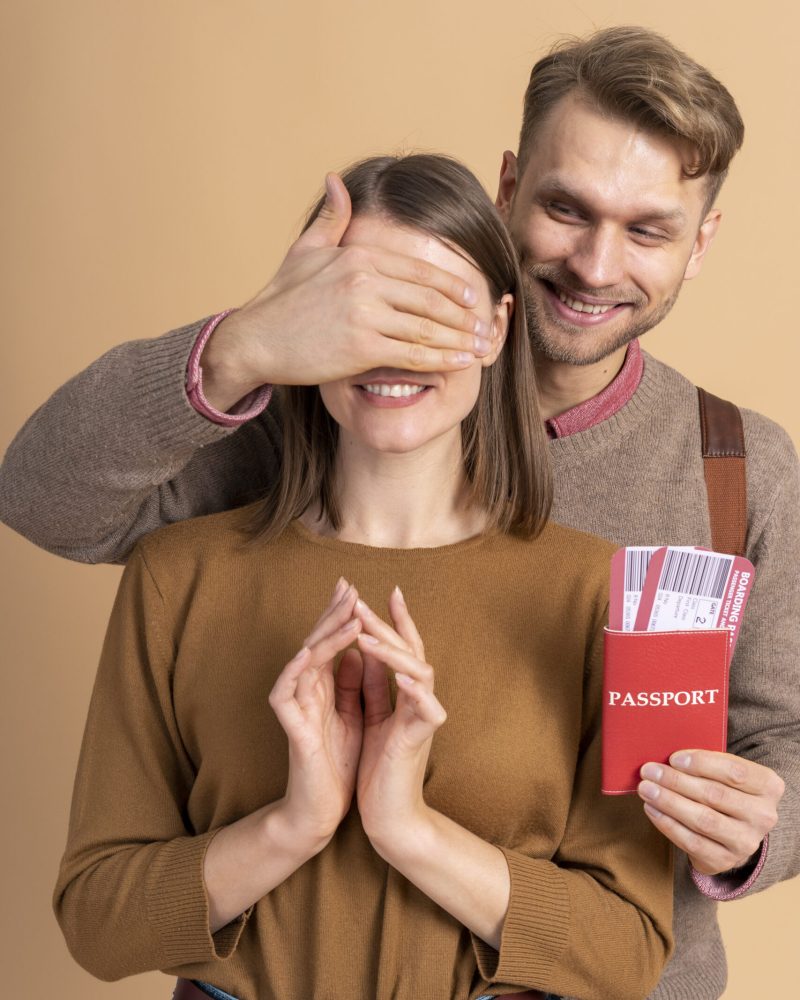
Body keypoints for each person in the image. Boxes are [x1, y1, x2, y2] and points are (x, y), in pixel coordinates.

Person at [1, 24, 798, 1000]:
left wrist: (756, 826)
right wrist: (243, 345)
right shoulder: (290, 428)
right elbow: (43, 496)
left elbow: (782, 740)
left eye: (645, 229)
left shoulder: (731, 467)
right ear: (504, 191)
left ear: (699, 241)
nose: (594, 266)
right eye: (563, 208)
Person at [52, 153, 672, 1000]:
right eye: (363, 308)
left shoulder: (600, 594)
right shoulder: (175, 575)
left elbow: (627, 953)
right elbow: (97, 924)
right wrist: (293, 824)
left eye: (435, 310)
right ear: (304, 325)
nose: (397, 346)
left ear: (497, 327)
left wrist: (405, 828)